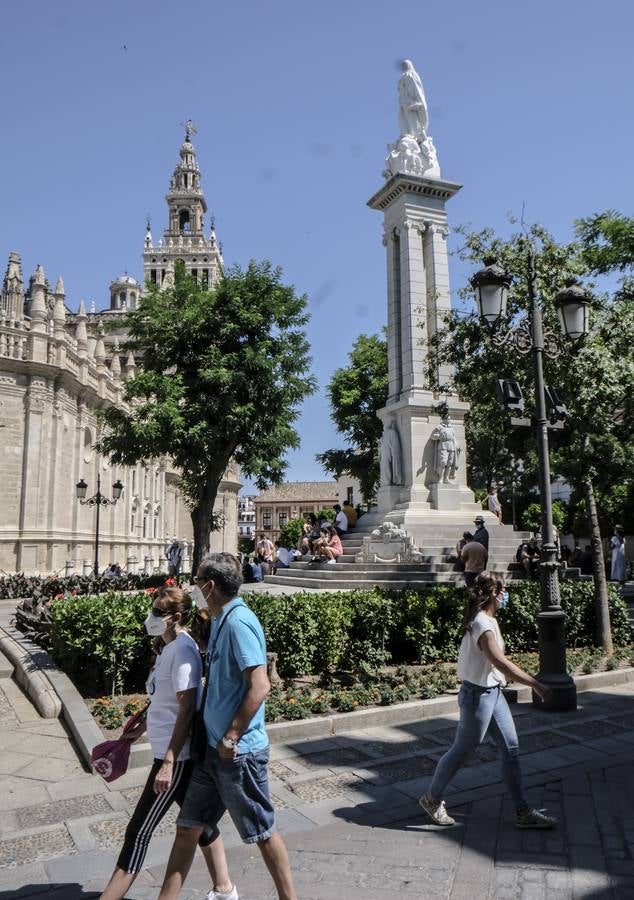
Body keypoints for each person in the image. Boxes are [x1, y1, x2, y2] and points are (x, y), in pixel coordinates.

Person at [157, 553, 297, 900]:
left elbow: (260, 684)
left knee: (261, 831)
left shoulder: (238, 622)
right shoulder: (221, 619)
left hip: (237, 754)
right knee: (188, 827)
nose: (195, 585)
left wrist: (232, 736)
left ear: (211, 585)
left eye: (198, 579)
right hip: (213, 750)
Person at [99, 585, 236, 900]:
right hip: (169, 752)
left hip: (174, 758)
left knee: (138, 832)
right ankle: (225, 890)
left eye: (159, 613)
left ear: (176, 617)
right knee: (200, 824)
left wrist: (170, 763)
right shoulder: (168, 648)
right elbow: (168, 703)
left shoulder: (183, 651)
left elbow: (187, 709)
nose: (152, 617)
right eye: (153, 609)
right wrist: (142, 728)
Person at [419, 572, 557, 830]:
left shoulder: (488, 620)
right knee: (463, 750)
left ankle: (523, 811)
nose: (506, 595)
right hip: (477, 696)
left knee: (511, 749)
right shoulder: (482, 623)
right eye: (503, 590)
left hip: (492, 693)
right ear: (494, 592)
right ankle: (431, 798)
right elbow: (499, 662)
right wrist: (535, 684)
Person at [398, 58, 428, 142]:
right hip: (405, 102)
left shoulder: (413, 74)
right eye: (403, 65)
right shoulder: (403, 77)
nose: (404, 66)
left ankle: (416, 135)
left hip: (413, 101)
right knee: (406, 117)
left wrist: (418, 102)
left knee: (414, 117)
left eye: (406, 64)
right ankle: (409, 132)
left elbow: (417, 88)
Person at [430, 417, 460, 483]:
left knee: (450, 463)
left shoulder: (451, 428)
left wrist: (457, 446)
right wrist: (439, 436)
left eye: (449, 419)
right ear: (444, 419)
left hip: (451, 446)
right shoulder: (439, 427)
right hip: (443, 446)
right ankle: (440, 478)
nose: (448, 420)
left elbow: (453, 438)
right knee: (443, 462)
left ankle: (446, 478)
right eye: (447, 419)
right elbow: (432, 436)